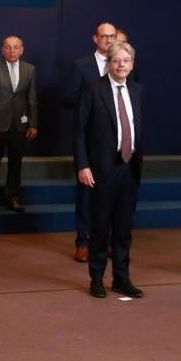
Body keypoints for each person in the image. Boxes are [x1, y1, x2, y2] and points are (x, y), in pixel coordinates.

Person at [76, 41, 144, 299]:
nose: (121, 65)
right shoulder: (93, 89)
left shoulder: (137, 91)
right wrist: (82, 165)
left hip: (129, 167)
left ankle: (122, 278)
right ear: (108, 63)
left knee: (124, 228)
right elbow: (79, 131)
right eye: (116, 60)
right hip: (101, 168)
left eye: (126, 60)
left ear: (132, 64)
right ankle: (96, 277)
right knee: (100, 226)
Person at [63, 21, 117, 263]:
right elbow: (68, 98)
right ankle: (83, 242)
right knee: (86, 193)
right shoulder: (81, 66)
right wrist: (91, 103)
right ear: (95, 38)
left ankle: (106, 240)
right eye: (104, 36)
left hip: (116, 140)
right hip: (89, 138)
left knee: (112, 194)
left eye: (112, 36)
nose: (108, 40)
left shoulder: (121, 65)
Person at [0, 35, 38, 213]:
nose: (12, 50)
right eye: (8, 47)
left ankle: (12, 197)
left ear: (22, 50)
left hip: (20, 124)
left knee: (16, 163)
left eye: (16, 47)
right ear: (2, 49)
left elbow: (32, 100)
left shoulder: (30, 69)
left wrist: (32, 124)